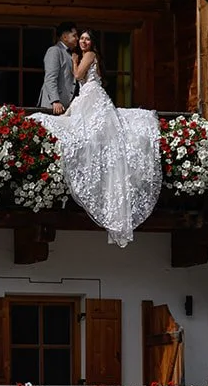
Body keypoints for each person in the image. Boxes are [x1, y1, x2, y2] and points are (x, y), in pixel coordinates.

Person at [36, 29, 162, 247]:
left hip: (91, 96)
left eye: (87, 39)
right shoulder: (89, 56)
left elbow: (77, 76)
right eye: (81, 38)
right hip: (87, 95)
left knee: (89, 131)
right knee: (84, 130)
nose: (83, 41)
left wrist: (75, 60)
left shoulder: (89, 55)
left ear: (92, 43)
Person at [37, 21, 79, 116]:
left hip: (65, 106)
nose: (77, 38)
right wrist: (55, 100)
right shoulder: (54, 51)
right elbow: (50, 78)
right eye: (74, 35)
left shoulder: (70, 54)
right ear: (64, 37)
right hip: (53, 106)